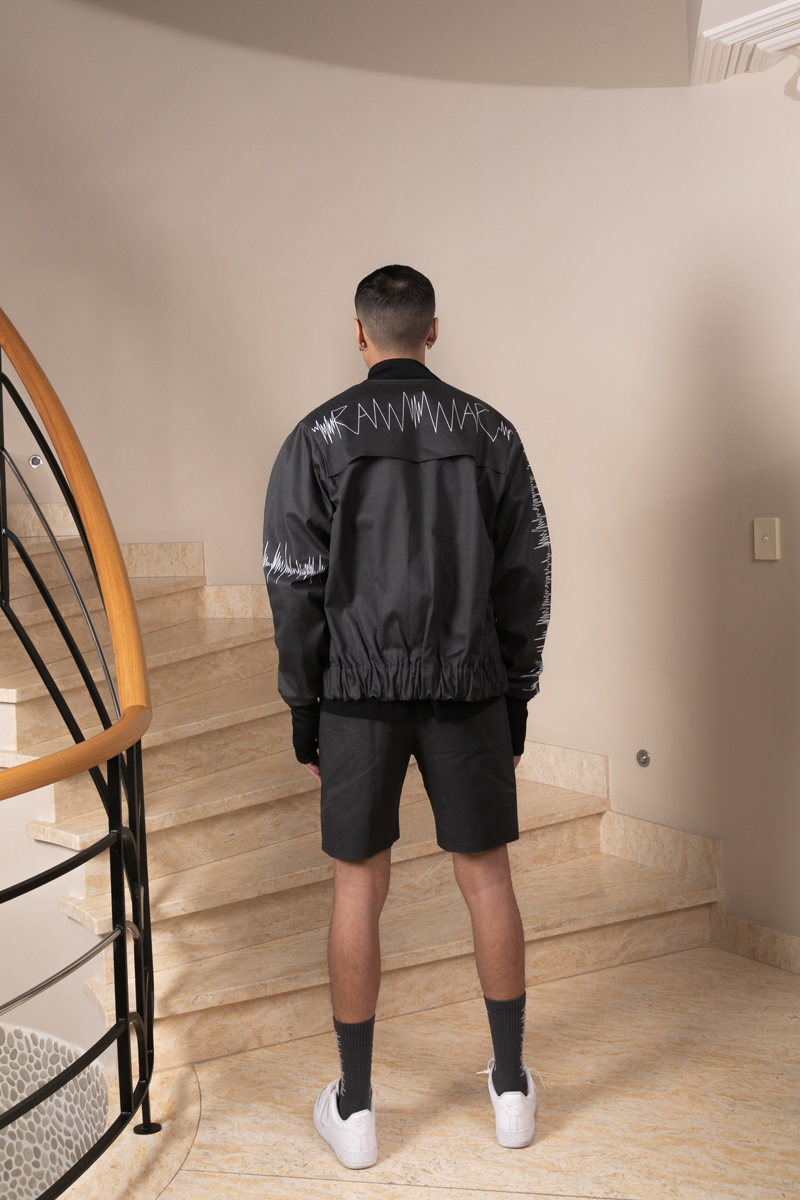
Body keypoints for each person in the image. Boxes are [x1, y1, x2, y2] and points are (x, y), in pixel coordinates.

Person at [262, 264, 550, 1169]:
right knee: (488, 881)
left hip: (358, 696)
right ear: (433, 329)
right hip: (469, 689)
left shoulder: (318, 436)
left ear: (359, 333)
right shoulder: (491, 432)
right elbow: (527, 576)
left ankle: (355, 1111)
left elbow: (292, 582)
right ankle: (511, 1091)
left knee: (359, 889)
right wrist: (517, 689)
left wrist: (304, 704)